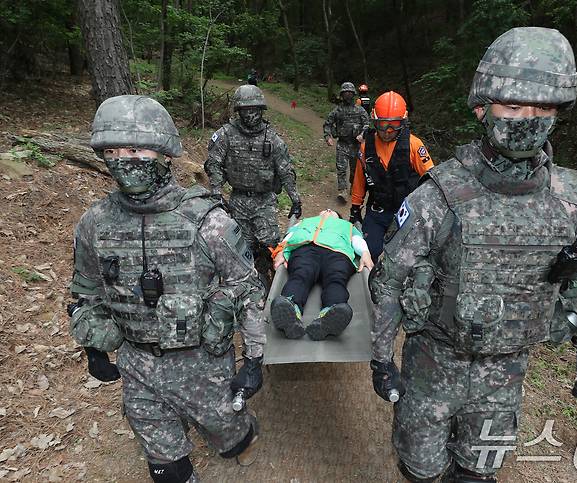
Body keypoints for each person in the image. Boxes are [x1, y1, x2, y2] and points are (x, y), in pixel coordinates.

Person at [369, 27, 577, 483]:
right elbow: (391, 282)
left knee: (480, 472)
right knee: (421, 469)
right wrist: (381, 359)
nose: (528, 119)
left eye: (542, 107)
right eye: (514, 105)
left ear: (559, 111)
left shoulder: (571, 201)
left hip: (507, 372)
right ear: (482, 108)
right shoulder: (438, 196)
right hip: (433, 367)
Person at [69, 95, 267, 482]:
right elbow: (86, 290)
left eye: (137, 148)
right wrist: (93, 346)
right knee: (166, 467)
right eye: (113, 150)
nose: (125, 159)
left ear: (163, 153)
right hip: (137, 364)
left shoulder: (208, 222)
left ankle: (242, 438)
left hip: (202, 364)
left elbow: (247, 290)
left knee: (229, 434)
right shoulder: (95, 223)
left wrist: (254, 360)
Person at [205, 84, 302, 284]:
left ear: (261, 110)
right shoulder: (226, 135)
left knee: (271, 245)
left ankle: (276, 284)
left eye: (255, 110)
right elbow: (213, 163)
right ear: (239, 112)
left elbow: (285, 170)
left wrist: (295, 198)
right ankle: (245, 285)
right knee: (239, 246)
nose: (251, 115)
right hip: (238, 200)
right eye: (246, 110)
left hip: (264, 201)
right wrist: (216, 191)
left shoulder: (273, 139)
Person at [349, 91, 434, 262]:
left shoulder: (414, 145)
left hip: (407, 213)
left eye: (393, 124)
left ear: (403, 122)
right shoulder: (366, 147)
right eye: (382, 124)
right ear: (374, 121)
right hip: (378, 210)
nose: (387, 131)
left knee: (406, 259)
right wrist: (355, 208)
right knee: (366, 253)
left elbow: (432, 179)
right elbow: (360, 179)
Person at [269, 209, 374, 340]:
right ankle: (290, 309)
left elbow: (358, 240)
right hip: (306, 249)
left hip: (338, 253)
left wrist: (365, 253)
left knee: (335, 280)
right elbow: (289, 237)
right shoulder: (304, 222)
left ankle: (330, 313)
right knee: (300, 275)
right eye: (325, 209)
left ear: (339, 218)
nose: (328, 210)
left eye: (333, 211)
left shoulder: (347, 226)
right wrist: (281, 251)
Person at [323, 81, 370, 203]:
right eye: (345, 93)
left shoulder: (360, 110)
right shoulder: (337, 111)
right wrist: (328, 137)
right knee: (341, 168)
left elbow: (367, 124)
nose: (348, 95)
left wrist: (361, 134)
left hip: (356, 145)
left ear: (353, 94)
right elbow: (327, 124)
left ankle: (353, 187)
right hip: (342, 144)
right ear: (342, 95)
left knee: (355, 170)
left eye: (350, 93)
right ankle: (342, 190)